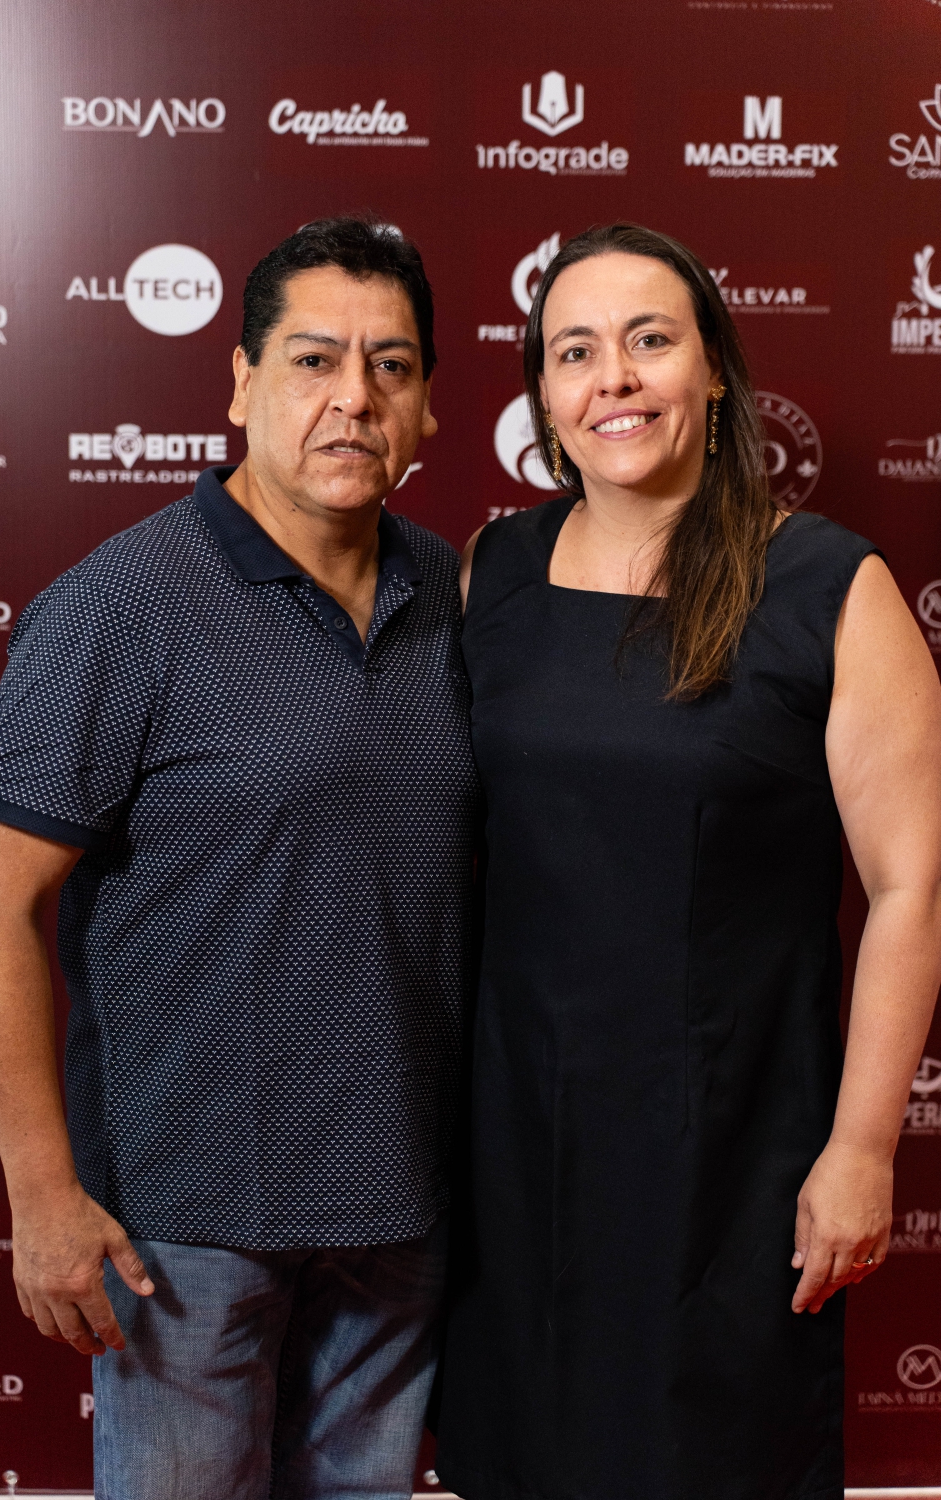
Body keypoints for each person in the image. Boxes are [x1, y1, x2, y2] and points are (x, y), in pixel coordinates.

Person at [0, 216, 479, 1500]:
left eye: (391, 366)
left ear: (427, 405)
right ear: (240, 383)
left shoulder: (453, 595)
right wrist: (42, 1195)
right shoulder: (118, 606)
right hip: (181, 1223)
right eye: (313, 360)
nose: (354, 399)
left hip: (401, 1210)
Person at [435, 222, 941, 1500]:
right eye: (574, 352)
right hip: (515, 1151)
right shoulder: (492, 571)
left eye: (648, 341)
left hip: (730, 1153)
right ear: (544, 396)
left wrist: (862, 1149)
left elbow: (911, 890)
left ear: (713, 370)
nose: (612, 377)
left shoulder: (827, 586)